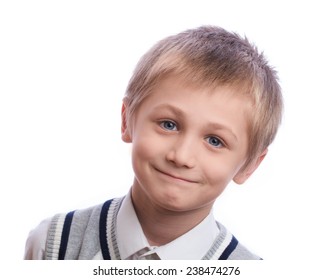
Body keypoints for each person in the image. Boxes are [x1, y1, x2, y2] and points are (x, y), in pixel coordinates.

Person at [24, 25, 283, 260]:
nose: (181, 157)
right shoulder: (53, 245)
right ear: (127, 121)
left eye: (215, 141)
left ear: (250, 165)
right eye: (168, 124)